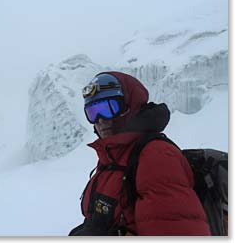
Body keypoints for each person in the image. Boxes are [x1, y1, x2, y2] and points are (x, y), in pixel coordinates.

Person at [69, 71, 211, 236]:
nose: (100, 120)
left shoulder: (156, 156)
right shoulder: (111, 158)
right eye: (93, 113)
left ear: (129, 106)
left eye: (108, 108)